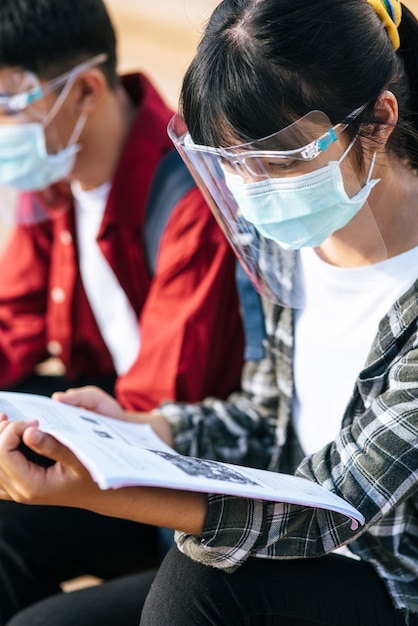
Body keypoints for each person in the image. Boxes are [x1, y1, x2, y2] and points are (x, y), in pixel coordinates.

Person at [0, 0, 417, 624]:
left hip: (383, 581)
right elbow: (263, 418)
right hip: (290, 562)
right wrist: (136, 428)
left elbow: (334, 509)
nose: (252, 191)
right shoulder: (293, 247)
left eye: (276, 161)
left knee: (202, 583)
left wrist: (110, 494)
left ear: (378, 121)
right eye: (230, 163)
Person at [0, 0, 246, 623]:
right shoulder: (56, 181)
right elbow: (13, 324)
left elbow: (164, 403)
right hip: (111, 413)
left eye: (5, 105)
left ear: (82, 90)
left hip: (182, 468)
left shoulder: (193, 201)